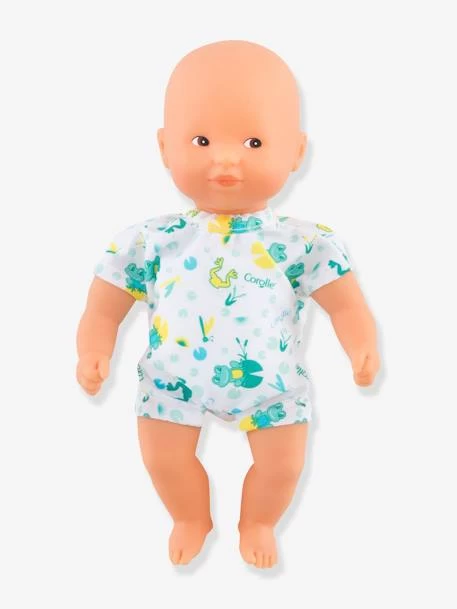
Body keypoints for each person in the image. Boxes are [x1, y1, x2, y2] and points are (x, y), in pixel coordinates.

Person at [76, 40, 380, 569]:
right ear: (165, 147)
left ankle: (257, 521)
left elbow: (346, 306)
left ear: (296, 153)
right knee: (164, 460)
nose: (225, 157)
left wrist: (362, 348)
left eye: (254, 141)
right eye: (201, 140)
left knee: (283, 466)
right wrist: (93, 351)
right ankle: (190, 516)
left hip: (272, 386)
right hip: (172, 382)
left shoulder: (303, 243)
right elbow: (104, 306)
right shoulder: (152, 241)